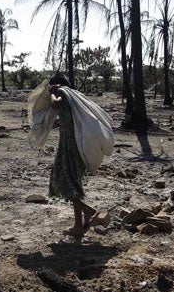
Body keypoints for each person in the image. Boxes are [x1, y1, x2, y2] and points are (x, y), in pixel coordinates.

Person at [29, 73, 114, 238]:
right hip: (72, 143)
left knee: (67, 180)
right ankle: (81, 220)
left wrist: (54, 92)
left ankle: (83, 218)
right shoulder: (71, 95)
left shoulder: (61, 93)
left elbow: (55, 104)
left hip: (70, 145)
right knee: (69, 180)